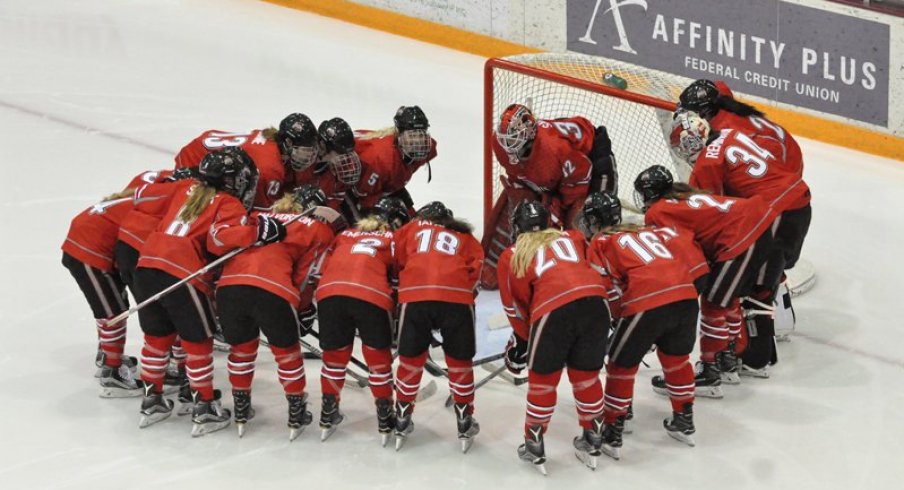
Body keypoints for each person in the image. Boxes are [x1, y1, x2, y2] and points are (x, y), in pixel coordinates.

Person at [133, 149, 286, 436]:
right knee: (197, 341)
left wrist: (170, 181)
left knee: (157, 338)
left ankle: (151, 400)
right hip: (183, 272)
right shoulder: (228, 203)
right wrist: (259, 231)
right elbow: (220, 240)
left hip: (147, 263)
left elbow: (142, 199)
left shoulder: (184, 187)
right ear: (233, 180)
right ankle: (204, 406)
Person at [670, 106, 812, 375]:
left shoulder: (706, 165)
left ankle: (753, 357)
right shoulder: (731, 134)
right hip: (798, 203)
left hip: (775, 213)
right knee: (763, 281)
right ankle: (763, 349)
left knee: (744, 285)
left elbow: (715, 214)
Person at [634, 165, 777, 398]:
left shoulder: (657, 212)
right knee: (725, 297)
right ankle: (727, 358)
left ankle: (709, 371)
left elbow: (685, 247)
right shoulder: (685, 196)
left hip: (741, 236)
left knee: (713, 303)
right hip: (761, 224)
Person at [582, 192, 701, 459]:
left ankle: (613, 430)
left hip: (647, 302)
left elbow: (607, 291)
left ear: (593, 220)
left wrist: (617, 319)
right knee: (677, 360)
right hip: (687, 297)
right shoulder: (648, 232)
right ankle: (684, 419)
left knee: (620, 364)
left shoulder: (600, 242)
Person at [497, 201, 610, 474]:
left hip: (553, 311)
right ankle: (593, 436)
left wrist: (524, 341)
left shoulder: (514, 253)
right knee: (587, 376)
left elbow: (516, 306)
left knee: (543, 381)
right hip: (597, 304)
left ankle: (534, 442)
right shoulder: (573, 237)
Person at [216, 184, 335, 440]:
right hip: (273, 290)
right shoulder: (318, 229)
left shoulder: (258, 217)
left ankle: (241, 409)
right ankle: (296, 412)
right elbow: (306, 277)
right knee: (287, 353)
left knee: (241, 350)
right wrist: (303, 309)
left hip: (229, 288)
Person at [481, 103, 616, 289]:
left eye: (513, 141)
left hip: (590, 159)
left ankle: (598, 273)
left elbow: (579, 183)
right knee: (522, 212)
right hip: (557, 172)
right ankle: (511, 262)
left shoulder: (555, 148)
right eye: (506, 140)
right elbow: (519, 175)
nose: (507, 146)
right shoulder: (498, 142)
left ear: (529, 136)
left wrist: (558, 208)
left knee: (588, 219)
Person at [61, 170, 169, 397]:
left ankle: (108, 356)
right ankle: (112, 372)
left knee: (113, 306)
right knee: (112, 312)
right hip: (89, 252)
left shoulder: (145, 198)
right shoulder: (160, 208)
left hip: (90, 245)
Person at [314, 196, 409, 445]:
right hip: (372, 296)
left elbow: (322, 266)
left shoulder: (345, 234)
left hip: (330, 294)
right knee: (378, 362)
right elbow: (400, 280)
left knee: (334, 359)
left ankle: (328, 413)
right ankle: (385, 417)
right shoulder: (395, 239)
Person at [391, 201, 483, 452]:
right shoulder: (464, 235)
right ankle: (464, 419)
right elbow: (477, 271)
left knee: (410, 360)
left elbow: (396, 262)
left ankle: (401, 417)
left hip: (415, 295)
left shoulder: (410, 228)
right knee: (459, 361)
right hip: (457, 297)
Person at [174, 113, 320, 209]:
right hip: (195, 160)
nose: (308, 157)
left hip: (204, 149)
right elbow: (258, 210)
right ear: (288, 143)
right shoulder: (269, 167)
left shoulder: (272, 141)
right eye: (304, 151)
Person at [352, 106, 438, 212]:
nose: (417, 141)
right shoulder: (381, 159)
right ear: (398, 135)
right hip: (353, 183)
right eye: (412, 135)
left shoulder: (428, 148)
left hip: (382, 182)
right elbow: (363, 197)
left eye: (421, 135)